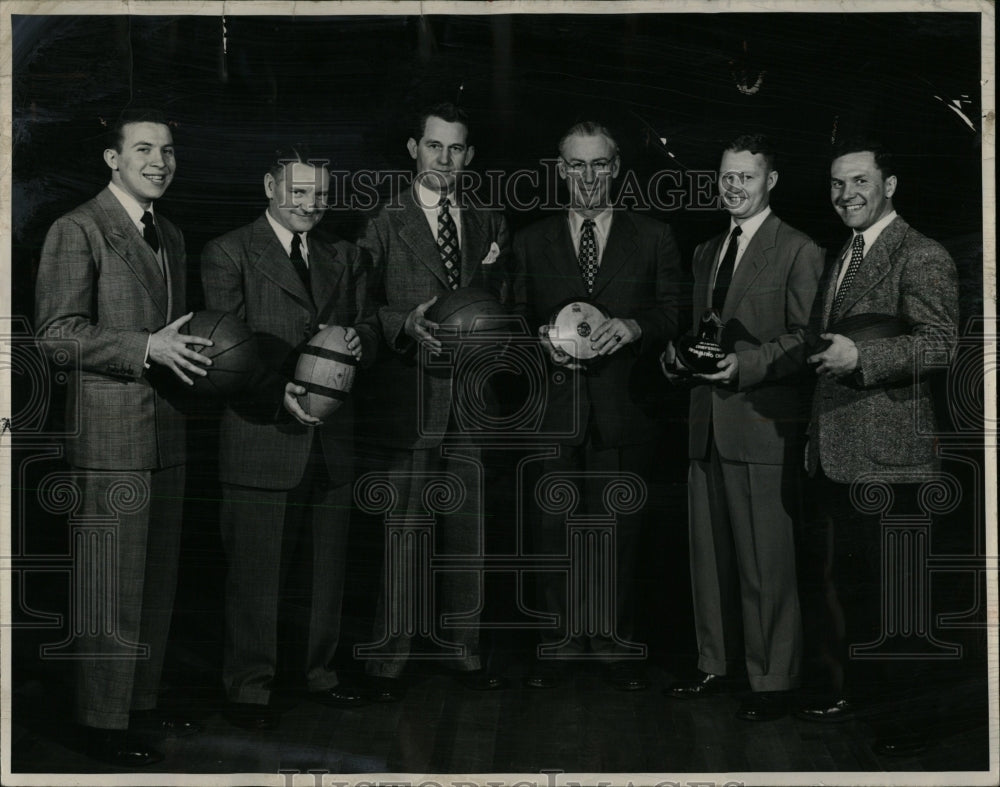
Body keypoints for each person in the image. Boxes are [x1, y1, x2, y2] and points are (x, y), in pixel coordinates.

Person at [35, 108, 211, 766]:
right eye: (143, 149)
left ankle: (136, 703)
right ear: (112, 159)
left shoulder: (169, 231)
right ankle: (100, 724)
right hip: (110, 439)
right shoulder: (77, 229)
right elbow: (55, 337)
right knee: (110, 585)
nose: (159, 161)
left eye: (167, 150)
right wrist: (146, 347)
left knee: (154, 583)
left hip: (166, 433)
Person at [201, 146, 378, 730]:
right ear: (270, 188)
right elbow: (221, 350)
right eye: (299, 192)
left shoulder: (344, 255)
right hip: (261, 430)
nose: (311, 204)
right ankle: (249, 689)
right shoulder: (229, 252)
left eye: (321, 194)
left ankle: (319, 674)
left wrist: (358, 340)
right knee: (254, 572)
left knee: (325, 569)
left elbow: (369, 323)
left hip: (332, 437)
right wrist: (280, 393)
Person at [797, 138, 959, 755]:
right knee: (859, 592)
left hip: (894, 456)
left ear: (889, 185)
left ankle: (908, 727)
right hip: (842, 452)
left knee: (897, 598)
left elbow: (942, 343)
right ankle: (867, 704)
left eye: (860, 182)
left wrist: (862, 356)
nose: (847, 196)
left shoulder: (921, 253)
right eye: (838, 185)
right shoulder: (849, 251)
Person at [512, 120, 682, 691]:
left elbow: (674, 312)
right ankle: (558, 644)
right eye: (575, 166)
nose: (587, 177)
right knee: (553, 530)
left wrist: (635, 326)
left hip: (624, 409)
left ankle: (612, 644)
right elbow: (509, 317)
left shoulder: (654, 235)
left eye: (598, 165)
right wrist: (535, 336)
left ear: (615, 169)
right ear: (561, 171)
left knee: (617, 532)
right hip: (554, 410)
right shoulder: (530, 239)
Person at [660, 134, 823, 720]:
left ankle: (773, 683)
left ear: (770, 181)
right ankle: (715, 664)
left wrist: (746, 364)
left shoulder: (798, 249)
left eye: (746, 178)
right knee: (711, 560)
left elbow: (808, 341)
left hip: (760, 426)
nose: (734, 187)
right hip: (705, 426)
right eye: (726, 177)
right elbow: (699, 330)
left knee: (765, 564)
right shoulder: (706, 250)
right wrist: (675, 360)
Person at [356, 102, 511, 699]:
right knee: (405, 529)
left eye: (455, 149)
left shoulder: (491, 221)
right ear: (413, 149)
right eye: (433, 147)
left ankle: (463, 651)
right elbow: (359, 308)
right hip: (410, 394)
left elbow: (506, 298)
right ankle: (387, 661)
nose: (443, 159)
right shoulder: (381, 222)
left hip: (472, 398)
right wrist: (403, 320)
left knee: (467, 529)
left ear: (468, 156)